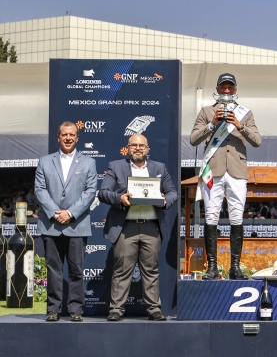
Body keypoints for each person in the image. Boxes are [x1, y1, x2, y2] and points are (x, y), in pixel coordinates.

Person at [98, 134, 177, 322]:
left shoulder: (159, 168)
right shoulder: (116, 166)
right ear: (128, 148)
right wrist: (120, 199)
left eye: (142, 146)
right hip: (125, 227)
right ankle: (116, 309)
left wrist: (165, 201)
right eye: (134, 145)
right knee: (122, 270)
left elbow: (173, 192)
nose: (138, 148)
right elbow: (103, 193)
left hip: (151, 227)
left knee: (151, 270)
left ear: (148, 149)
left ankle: (154, 309)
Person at [191, 72, 262, 280]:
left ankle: (235, 267)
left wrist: (239, 126)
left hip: (237, 171)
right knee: (211, 215)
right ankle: (212, 267)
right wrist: (212, 124)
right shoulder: (206, 111)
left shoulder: (245, 113)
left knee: (236, 216)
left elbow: (257, 140)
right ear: (218, 89)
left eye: (231, 87)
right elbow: (194, 139)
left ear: (236, 90)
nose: (227, 91)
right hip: (212, 170)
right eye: (224, 87)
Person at [34, 121, 97, 322]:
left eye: (72, 135)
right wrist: (55, 212)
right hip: (51, 224)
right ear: (58, 137)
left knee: (77, 269)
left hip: (76, 224)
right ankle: (53, 308)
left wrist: (70, 213)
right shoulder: (45, 161)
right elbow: (40, 190)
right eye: (64, 134)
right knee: (53, 269)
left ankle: (76, 309)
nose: (68, 138)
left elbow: (90, 192)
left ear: (77, 138)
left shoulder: (88, 162)